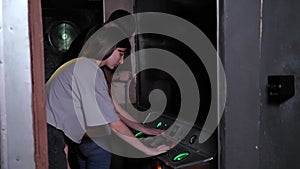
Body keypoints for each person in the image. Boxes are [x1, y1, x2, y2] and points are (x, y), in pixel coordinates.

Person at [46, 24, 170, 169]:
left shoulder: (81, 65)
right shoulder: (90, 71)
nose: (122, 60)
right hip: (51, 138)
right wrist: (148, 150)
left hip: (51, 136)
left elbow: (60, 122)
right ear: (108, 47)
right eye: (120, 53)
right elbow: (115, 124)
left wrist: (145, 130)